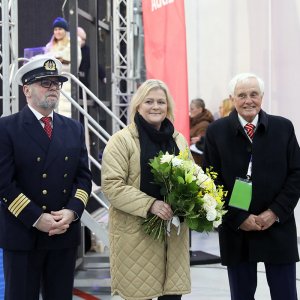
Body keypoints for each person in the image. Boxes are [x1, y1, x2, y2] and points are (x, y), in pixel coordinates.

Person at [0, 56, 92, 300]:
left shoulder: (74, 128)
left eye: (56, 83)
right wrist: (36, 218)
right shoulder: (7, 128)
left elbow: (83, 178)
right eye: (45, 83)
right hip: (23, 233)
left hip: (62, 232)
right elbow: (4, 184)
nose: (53, 88)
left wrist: (72, 212)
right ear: (27, 90)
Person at [203, 73, 300, 300]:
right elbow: (211, 180)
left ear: (262, 96)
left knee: (285, 294)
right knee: (242, 295)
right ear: (232, 98)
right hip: (236, 229)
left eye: (254, 94)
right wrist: (237, 217)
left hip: (277, 226)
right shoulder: (215, 132)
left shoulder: (283, 128)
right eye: (242, 95)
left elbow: (296, 173)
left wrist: (274, 212)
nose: (249, 100)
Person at [101, 79, 191, 300]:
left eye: (161, 102)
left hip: (174, 237)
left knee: (171, 295)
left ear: (167, 107)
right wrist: (150, 204)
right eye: (149, 101)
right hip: (136, 236)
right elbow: (112, 185)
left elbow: (190, 179)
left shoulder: (178, 140)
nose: (155, 107)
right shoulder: (121, 141)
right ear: (138, 106)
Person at [45, 17, 82, 118]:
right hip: (50, 83)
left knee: (65, 114)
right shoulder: (49, 46)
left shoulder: (72, 45)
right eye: (55, 29)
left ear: (65, 30)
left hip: (66, 83)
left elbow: (75, 65)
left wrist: (60, 64)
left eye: (60, 29)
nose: (58, 32)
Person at [189, 98, 214, 166]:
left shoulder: (204, 124)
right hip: (192, 161)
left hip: (198, 163)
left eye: (192, 109)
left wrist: (184, 143)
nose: (190, 111)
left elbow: (199, 144)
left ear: (200, 110)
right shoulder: (192, 122)